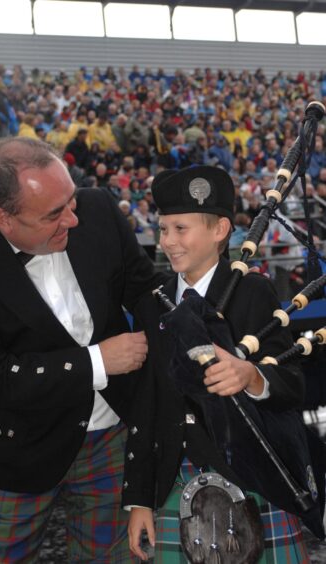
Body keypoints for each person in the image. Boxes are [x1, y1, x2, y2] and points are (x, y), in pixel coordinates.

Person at [0, 137, 164, 562]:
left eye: (70, 201)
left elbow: (145, 292)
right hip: (21, 445)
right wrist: (98, 361)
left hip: (112, 436)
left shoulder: (98, 208)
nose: (72, 217)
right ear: (4, 219)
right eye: (53, 214)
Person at [124, 165, 311, 563]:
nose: (168, 241)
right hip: (178, 480)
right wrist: (138, 499)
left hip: (255, 477)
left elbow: (292, 385)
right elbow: (147, 403)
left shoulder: (254, 292)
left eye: (180, 229)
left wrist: (251, 376)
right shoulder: (152, 304)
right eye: (163, 229)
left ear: (220, 230)